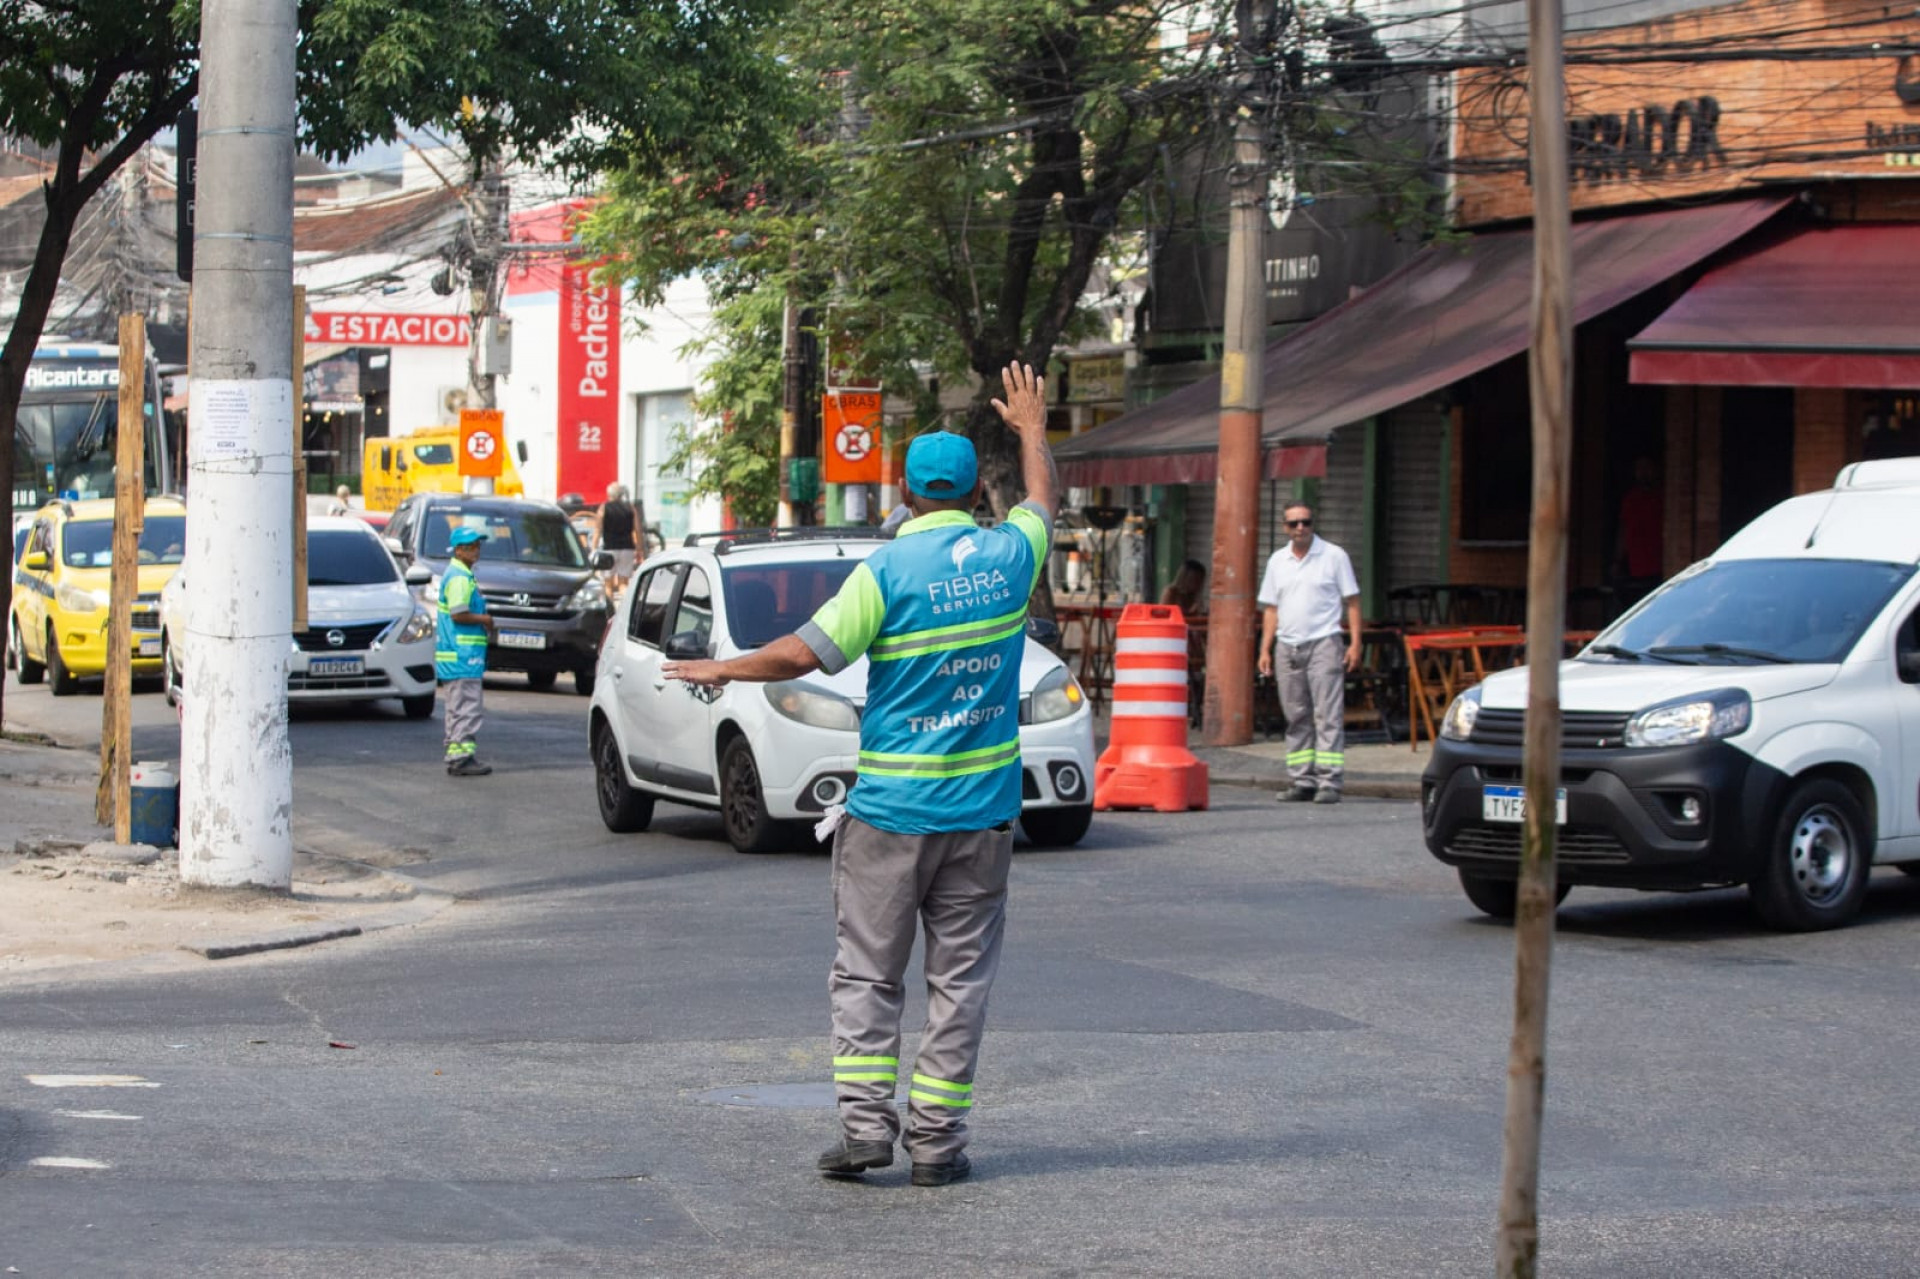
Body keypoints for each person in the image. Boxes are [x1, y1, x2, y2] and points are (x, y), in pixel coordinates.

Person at [663, 362, 1057, 1188]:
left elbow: (800, 653)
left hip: (890, 815)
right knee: (959, 981)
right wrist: (1031, 430)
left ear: (907, 495)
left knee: (868, 974)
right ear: (974, 490)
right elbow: (1044, 503)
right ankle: (938, 1145)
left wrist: (721, 669)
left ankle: (866, 1131)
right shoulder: (1010, 556)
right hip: (984, 816)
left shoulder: (883, 575)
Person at [1256, 502, 1361, 804]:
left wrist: (1355, 643)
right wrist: (1265, 648)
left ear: (1314, 524)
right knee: (1296, 715)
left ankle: (1329, 781)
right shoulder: (1278, 561)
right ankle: (1302, 779)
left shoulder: (1333, 556)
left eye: (1306, 522)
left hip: (1324, 642)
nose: (1300, 528)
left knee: (1327, 714)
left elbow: (1352, 601)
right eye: (1294, 524)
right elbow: (1271, 608)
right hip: (1287, 645)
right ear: (1284, 528)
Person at [436, 526, 496, 777]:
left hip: (456, 656)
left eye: (478, 546)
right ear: (458, 550)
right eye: (470, 546)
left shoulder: (458, 574)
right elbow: (458, 613)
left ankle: (455, 752)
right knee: (467, 707)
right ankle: (462, 757)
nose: (476, 551)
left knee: (456, 707)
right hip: (463, 656)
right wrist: (485, 620)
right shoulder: (460, 578)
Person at [1612, 456, 1664, 608]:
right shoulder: (1631, 499)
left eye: (1647, 468)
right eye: (1639, 469)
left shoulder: (1662, 497)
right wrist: (1617, 560)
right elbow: (1624, 530)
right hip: (1635, 568)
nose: (1643, 473)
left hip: (1658, 568)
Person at [598, 483, 639, 592]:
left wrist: (593, 549)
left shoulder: (604, 508)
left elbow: (598, 530)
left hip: (609, 548)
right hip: (627, 548)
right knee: (623, 584)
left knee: (608, 584)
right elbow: (637, 530)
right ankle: (625, 606)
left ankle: (610, 608)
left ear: (608, 494)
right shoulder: (630, 508)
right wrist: (640, 549)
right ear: (621, 495)